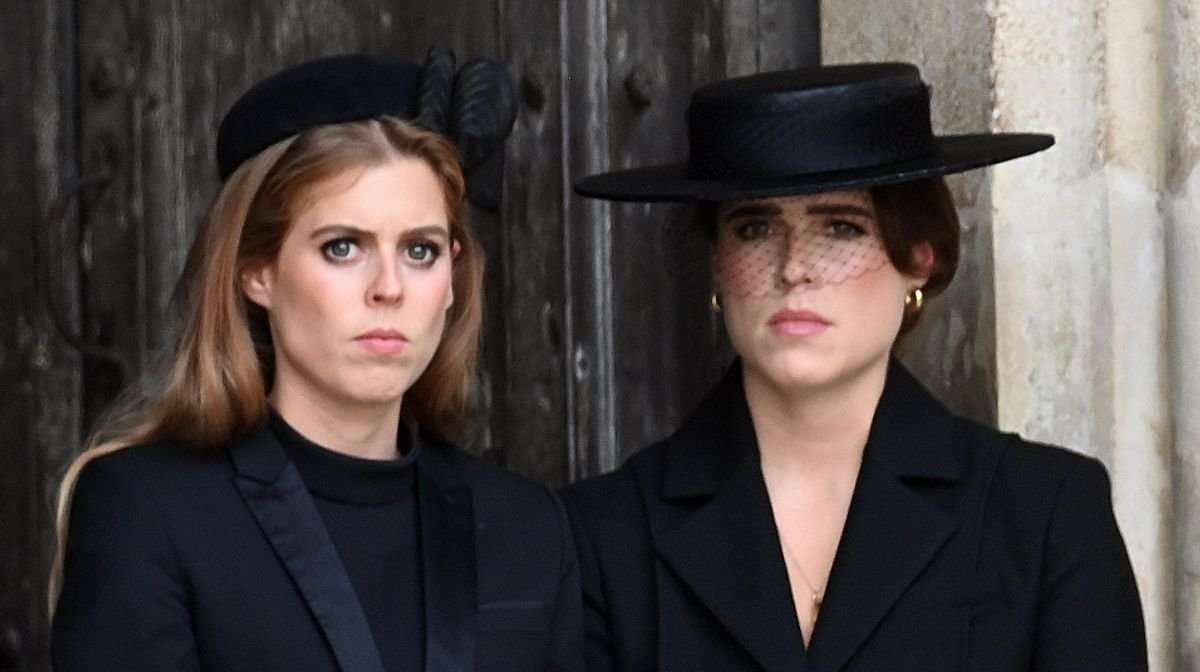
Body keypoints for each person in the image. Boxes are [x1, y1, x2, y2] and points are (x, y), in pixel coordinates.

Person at [560, 62, 1147, 671]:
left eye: (841, 227)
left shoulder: (1044, 515)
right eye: (755, 228)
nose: (793, 268)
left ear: (920, 257)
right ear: (717, 263)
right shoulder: (604, 534)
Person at [51, 52, 581, 672]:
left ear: (452, 278)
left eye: (420, 250)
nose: (389, 288)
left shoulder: (527, 525)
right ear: (257, 272)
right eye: (343, 247)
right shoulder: (147, 508)